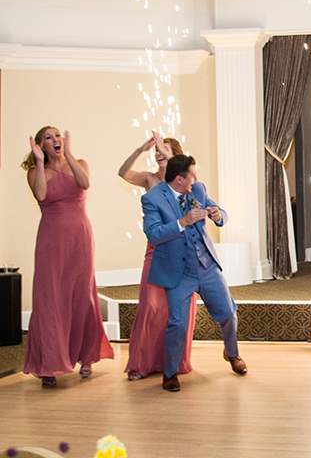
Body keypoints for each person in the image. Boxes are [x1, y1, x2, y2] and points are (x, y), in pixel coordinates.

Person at [141, 154, 247, 392]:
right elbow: (153, 234)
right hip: (179, 272)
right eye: (192, 174)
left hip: (206, 265)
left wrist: (219, 215)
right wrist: (182, 222)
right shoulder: (153, 198)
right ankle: (170, 373)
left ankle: (232, 354)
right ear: (179, 179)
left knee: (228, 313)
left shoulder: (197, 189)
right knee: (177, 324)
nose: (196, 179)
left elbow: (217, 209)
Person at [21, 127, 114, 387]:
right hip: (51, 240)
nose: (55, 140)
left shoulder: (79, 163)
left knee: (82, 296)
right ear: (40, 146)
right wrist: (40, 163)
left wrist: (69, 155)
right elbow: (40, 194)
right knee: (49, 297)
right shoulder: (35, 171)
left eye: (57, 136)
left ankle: (86, 356)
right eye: (48, 138)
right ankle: (48, 364)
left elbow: (84, 183)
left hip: (80, 238)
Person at [118, 132, 197, 381]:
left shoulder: (187, 181)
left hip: (183, 254)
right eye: (157, 151)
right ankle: (141, 364)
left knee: (177, 312)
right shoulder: (150, 180)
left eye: (165, 150)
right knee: (151, 307)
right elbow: (123, 172)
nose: (159, 154)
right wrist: (142, 149)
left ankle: (171, 363)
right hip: (157, 252)